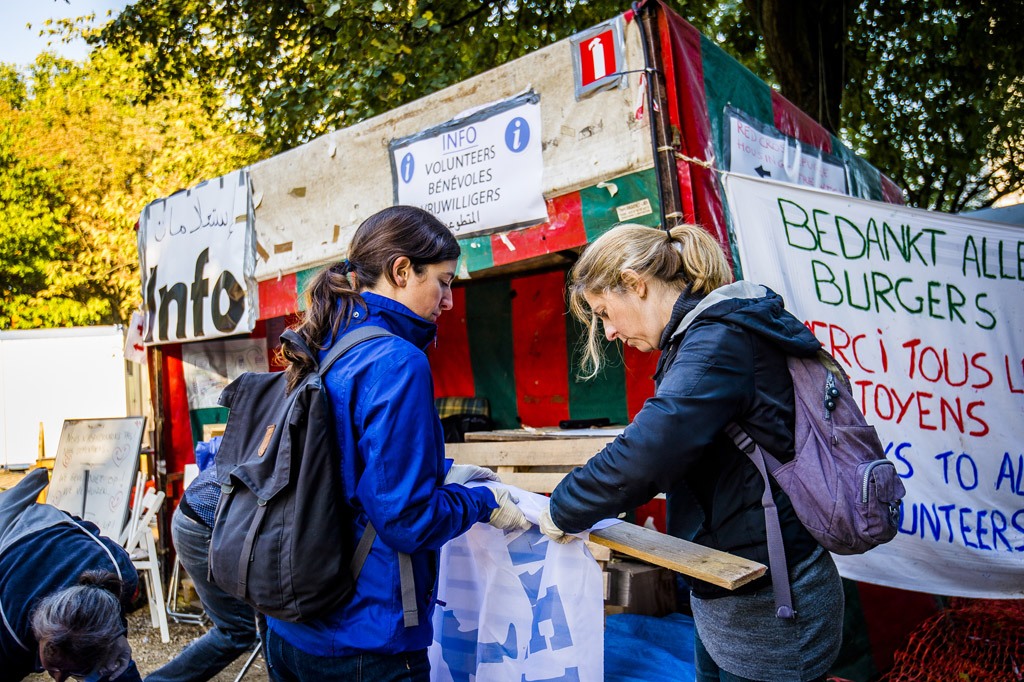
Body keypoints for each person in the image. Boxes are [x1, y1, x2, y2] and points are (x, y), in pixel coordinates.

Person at [538, 223, 844, 682]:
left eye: (605, 312)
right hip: (731, 588)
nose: (610, 331)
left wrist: (560, 508)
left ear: (635, 283)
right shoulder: (698, 339)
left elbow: (651, 451)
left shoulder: (718, 341)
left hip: (776, 605)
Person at [263, 205, 530, 682]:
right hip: (365, 638)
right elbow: (408, 521)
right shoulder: (397, 360)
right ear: (401, 270)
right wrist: (482, 501)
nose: (448, 300)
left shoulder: (322, 342)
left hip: (290, 626)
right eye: (444, 281)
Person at [0, 468, 141, 682]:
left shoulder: (119, 572)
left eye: (70, 672)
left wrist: (117, 635)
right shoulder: (10, 629)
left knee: (112, 664)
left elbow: (86, 530)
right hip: (12, 528)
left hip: (51, 533)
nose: (58, 679)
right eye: (53, 667)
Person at [145, 461, 257, 682]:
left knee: (266, 612)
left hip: (198, 513)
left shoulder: (263, 430)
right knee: (236, 630)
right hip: (202, 524)